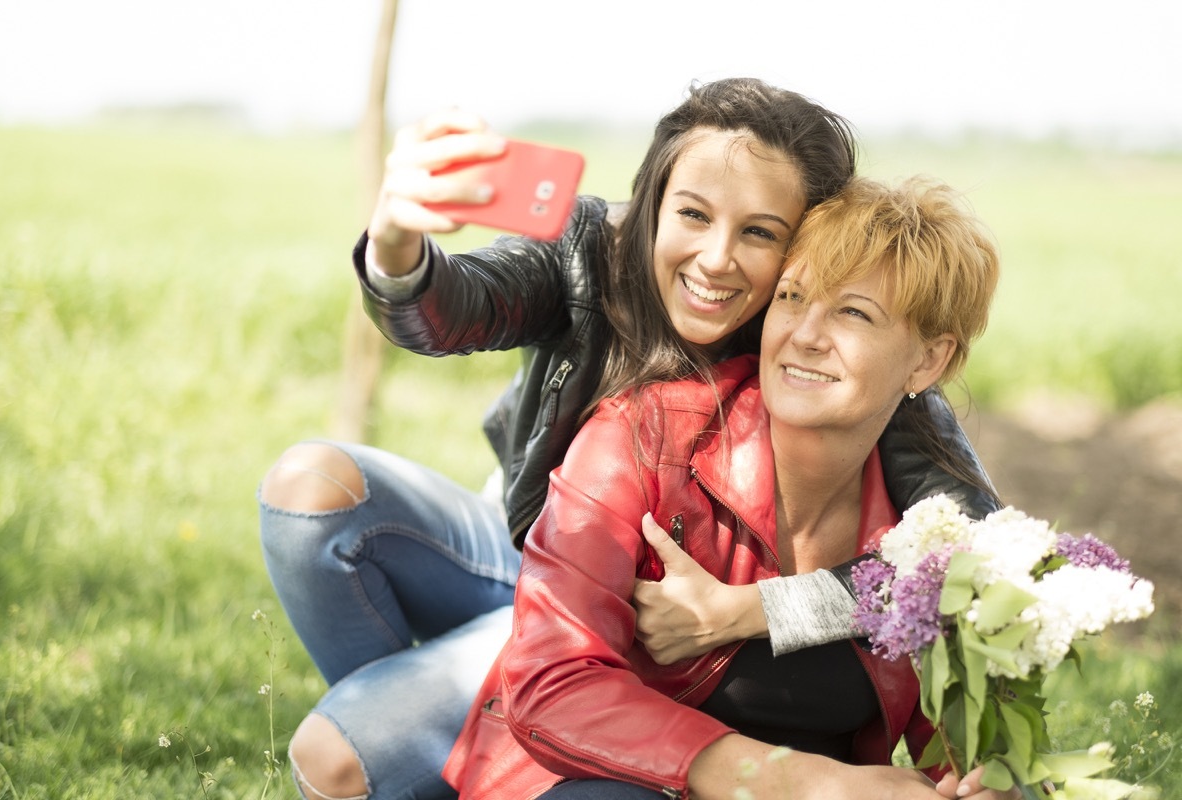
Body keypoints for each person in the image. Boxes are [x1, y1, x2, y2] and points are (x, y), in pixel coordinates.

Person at [258, 78, 999, 800]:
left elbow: (972, 558)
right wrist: (396, 245)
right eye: (693, 215)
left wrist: (747, 610)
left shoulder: (842, 366)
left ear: (803, 241)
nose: (715, 259)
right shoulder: (593, 257)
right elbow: (455, 307)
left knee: (353, 757)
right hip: (539, 557)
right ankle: (468, 746)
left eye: (759, 233)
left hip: (645, 601)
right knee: (312, 500)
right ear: (653, 206)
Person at [444, 176, 1013, 800]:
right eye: (793, 297)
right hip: (595, 782)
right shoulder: (643, 437)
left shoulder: (928, 534)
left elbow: (959, 747)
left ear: (927, 362)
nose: (805, 334)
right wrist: (801, 782)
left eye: (853, 312)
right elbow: (549, 685)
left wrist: (984, 783)